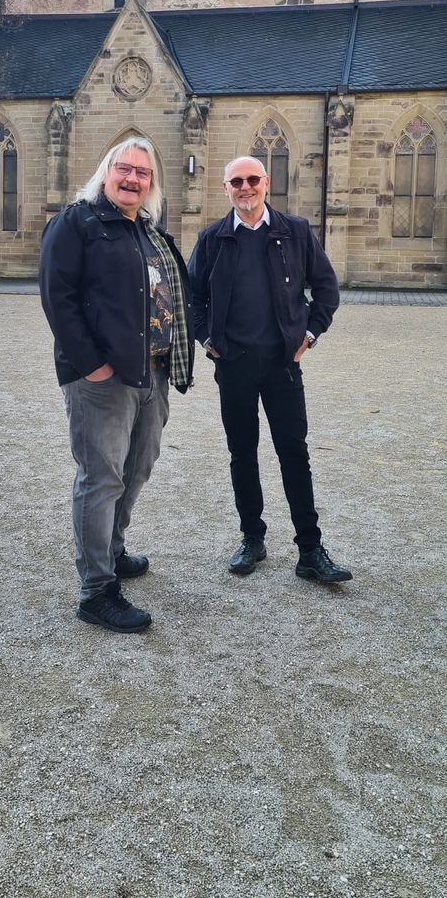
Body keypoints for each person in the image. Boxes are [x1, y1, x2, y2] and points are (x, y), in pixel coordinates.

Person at [39, 137, 194, 633]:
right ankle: (96, 591)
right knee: (101, 477)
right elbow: (57, 297)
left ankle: (112, 548)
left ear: (151, 184)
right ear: (106, 172)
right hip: (102, 379)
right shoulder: (76, 223)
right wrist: (92, 366)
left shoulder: (146, 230)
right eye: (123, 169)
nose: (132, 178)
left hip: (152, 373)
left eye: (142, 173)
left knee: (136, 468)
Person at [188, 156, 352, 584]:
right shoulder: (212, 239)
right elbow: (192, 298)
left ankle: (310, 549)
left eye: (252, 179)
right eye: (236, 181)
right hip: (234, 365)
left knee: (293, 452)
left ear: (265, 183)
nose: (245, 187)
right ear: (226, 188)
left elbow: (326, 288)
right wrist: (206, 339)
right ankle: (252, 538)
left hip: (283, 364)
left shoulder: (295, 231)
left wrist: (310, 334)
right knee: (242, 453)